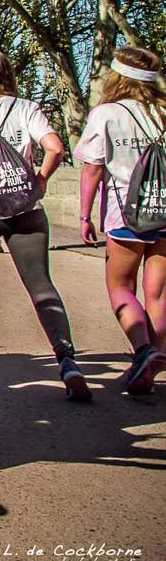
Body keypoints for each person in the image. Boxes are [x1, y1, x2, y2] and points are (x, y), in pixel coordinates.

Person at [0, 47, 87, 400]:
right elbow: (55, 147)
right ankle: (67, 359)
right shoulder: (25, 108)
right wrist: (40, 180)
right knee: (41, 286)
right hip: (26, 210)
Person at [76, 46, 166, 394]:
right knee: (157, 294)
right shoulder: (162, 112)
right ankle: (153, 364)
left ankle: (143, 352)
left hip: (126, 212)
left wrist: (85, 216)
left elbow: (92, 167)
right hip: (164, 210)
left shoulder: (107, 114)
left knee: (121, 288)